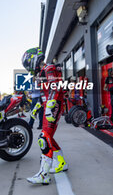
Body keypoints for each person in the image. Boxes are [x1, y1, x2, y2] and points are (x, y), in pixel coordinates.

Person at [22, 47, 68, 185]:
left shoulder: (48, 68)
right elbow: (44, 94)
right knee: (47, 137)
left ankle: (44, 175)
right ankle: (61, 163)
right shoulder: (43, 72)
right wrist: (37, 107)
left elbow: (55, 87)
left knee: (44, 138)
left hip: (54, 105)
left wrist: (50, 105)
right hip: (51, 104)